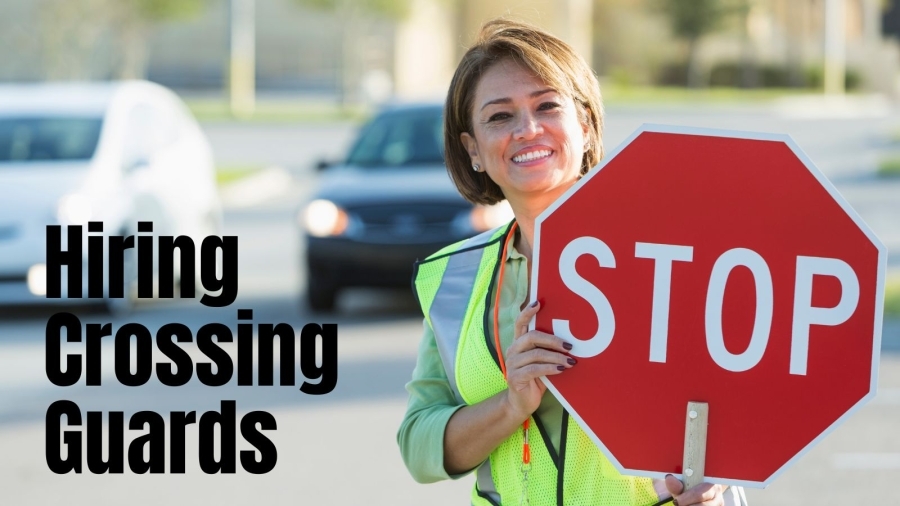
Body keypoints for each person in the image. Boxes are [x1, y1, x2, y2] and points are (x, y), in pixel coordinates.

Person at [397, 18, 748, 506]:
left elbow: (738, 404)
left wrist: (712, 482)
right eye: (500, 117)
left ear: (584, 125)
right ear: (472, 149)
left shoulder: (668, 254)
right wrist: (511, 402)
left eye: (547, 106)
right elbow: (419, 444)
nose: (528, 129)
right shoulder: (453, 278)